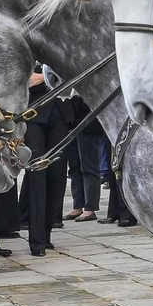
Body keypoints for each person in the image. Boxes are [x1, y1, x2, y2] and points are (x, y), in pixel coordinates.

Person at [20, 65, 71, 257]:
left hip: (59, 108)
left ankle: (47, 233)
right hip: (33, 110)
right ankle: (37, 240)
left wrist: (46, 76)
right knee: (37, 177)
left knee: (58, 176)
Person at [65, 91, 104, 223]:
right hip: (72, 116)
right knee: (74, 166)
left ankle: (90, 206)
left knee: (89, 164)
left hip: (87, 115)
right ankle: (78, 204)